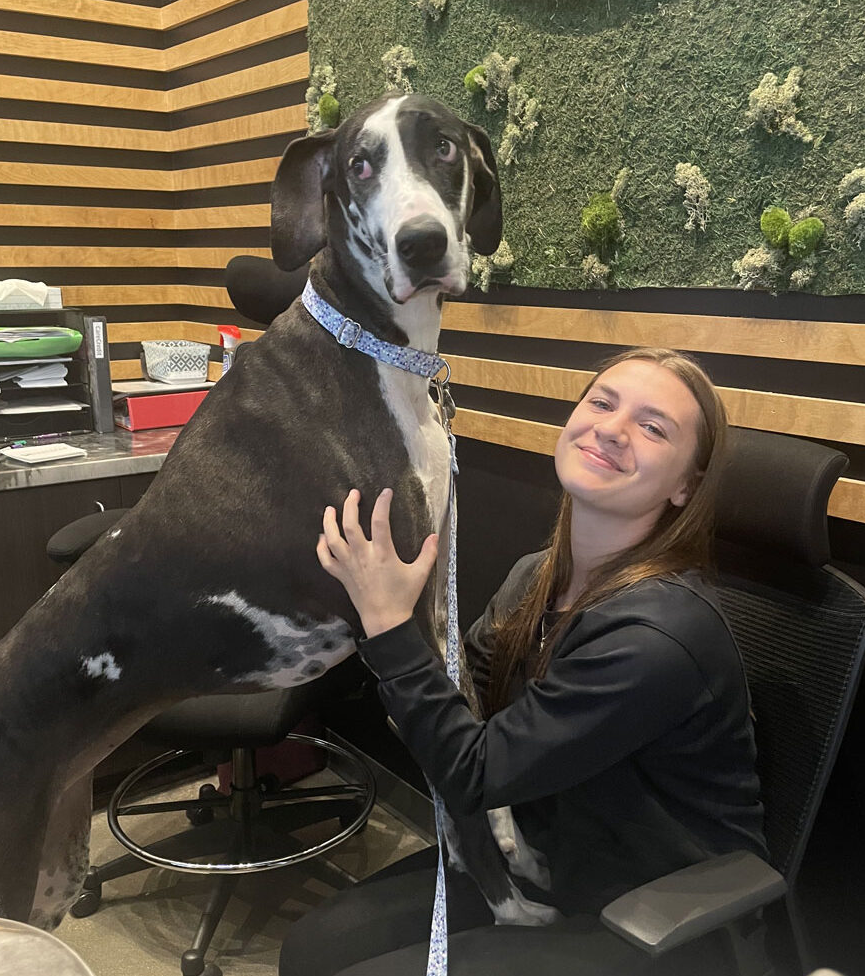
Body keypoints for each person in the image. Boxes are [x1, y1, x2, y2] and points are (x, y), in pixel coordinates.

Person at [280, 347, 767, 976]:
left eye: (652, 427)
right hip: (541, 854)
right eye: (602, 401)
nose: (611, 429)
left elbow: (473, 770)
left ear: (685, 487)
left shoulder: (658, 636)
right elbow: (458, 710)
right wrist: (389, 613)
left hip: (646, 917)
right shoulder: (534, 579)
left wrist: (390, 624)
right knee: (314, 948)